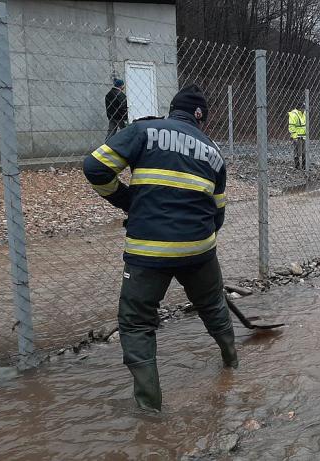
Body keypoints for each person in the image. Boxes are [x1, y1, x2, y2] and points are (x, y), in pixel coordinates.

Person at [83, 85, 237, 412]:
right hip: (199, 250)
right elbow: (218, 214)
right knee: (213, 306)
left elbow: (95, 168)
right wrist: (196, 237)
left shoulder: (143, 130)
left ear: (172, 110)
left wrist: (129, 201)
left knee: (137, 324)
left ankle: (150, 411)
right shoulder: (214, 152)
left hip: (148, 251)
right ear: (202, 120)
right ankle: (231, 363)